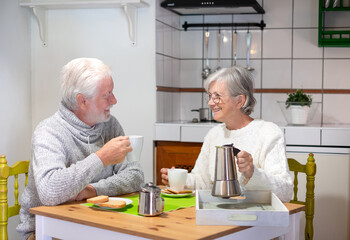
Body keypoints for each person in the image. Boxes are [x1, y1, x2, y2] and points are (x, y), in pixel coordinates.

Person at [17, 58, 144, 240]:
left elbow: (135, 176)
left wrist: (92, 190)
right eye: (106, 94)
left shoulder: (110, 125)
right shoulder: (49, 131)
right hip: (45, 231)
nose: (114, 100)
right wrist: (101, 158)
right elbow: (50, 191)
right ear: (82, 101)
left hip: (98, 225)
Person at [160, 66, 293, 202]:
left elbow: (286, 192)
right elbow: (203, 182)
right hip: (217, 214)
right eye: (210, 96)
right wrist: (179, 180)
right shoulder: (214, 134)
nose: (211, 103)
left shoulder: (268, 133)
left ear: (239, 101)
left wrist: (253, 173)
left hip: (255, 218)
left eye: (218, 97)